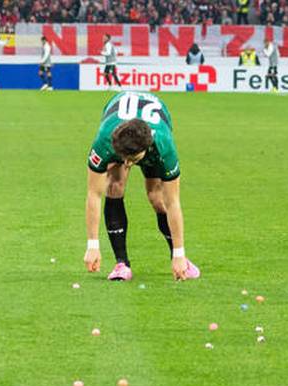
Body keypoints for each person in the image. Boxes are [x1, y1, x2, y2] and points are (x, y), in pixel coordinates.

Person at [83, 91, 201, 282]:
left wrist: (179, 254)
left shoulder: (164, 147)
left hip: (157, 123)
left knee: (157, 198)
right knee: (114, 185)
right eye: (125, 159)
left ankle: (180, 260)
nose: (128, 164)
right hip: (117, 116)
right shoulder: (104, 141)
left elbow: (173, 203)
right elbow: (93, 194)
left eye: (134, 160)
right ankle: (121, 264)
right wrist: (92, 245)